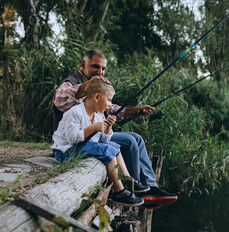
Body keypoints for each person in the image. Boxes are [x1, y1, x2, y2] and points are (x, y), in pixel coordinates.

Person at [53, 49, 177, 207]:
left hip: (95, 136)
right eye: (95, 67)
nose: (100, 72)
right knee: (130, 141)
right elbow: (60, 99)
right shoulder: (71, 83)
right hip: (77, 141)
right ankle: (135, 189)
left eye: (103, 69)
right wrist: (90, 85)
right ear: (83, 64)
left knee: (136, 138)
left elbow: (111, 109)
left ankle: (150, 186)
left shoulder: (98, 90)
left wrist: (137, 109)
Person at [51, 78, 144, 206]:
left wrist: (108, 127)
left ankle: (128, 179)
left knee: (114, 146)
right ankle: (119, 192)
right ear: (97, 97)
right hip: (66, 152)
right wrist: (93, 128)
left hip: (82, 147)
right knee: (107, 150)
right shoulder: (75, 112)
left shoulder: (98, 115)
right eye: (109, 100)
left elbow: (104, 140)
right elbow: (72, 139)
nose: (110, 105)